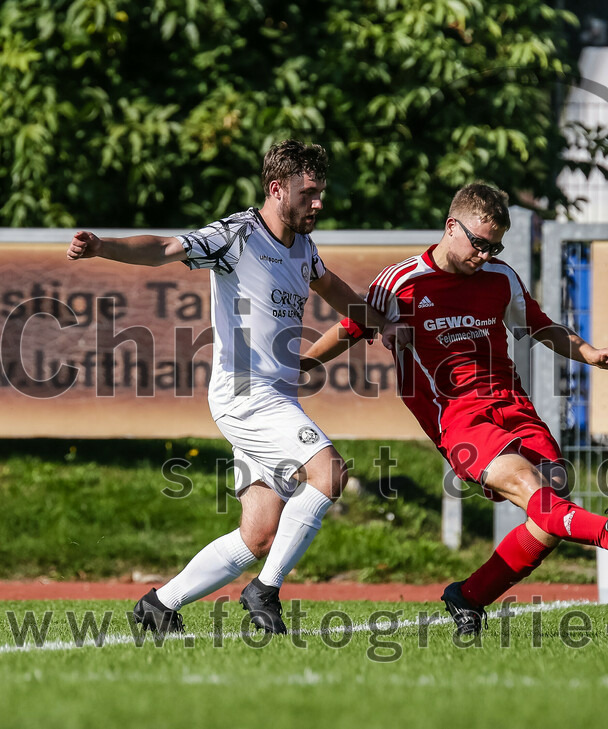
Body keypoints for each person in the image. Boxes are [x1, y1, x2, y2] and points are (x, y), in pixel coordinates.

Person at [67, 140, 401, 634]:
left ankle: (159, 605)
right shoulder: (237, 234)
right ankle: (264, 591)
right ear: (276, 189)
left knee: (259, 534)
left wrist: (378, 321)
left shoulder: (303, 247)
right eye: (308, 193)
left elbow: (329, 286)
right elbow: (165, 249)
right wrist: (103, 247)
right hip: (246, 395)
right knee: (328, 474)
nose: (318, 203)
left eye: (321, 193)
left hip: (274, 396)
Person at [301, 183, 608, 635]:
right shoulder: (401, 282)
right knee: (530, 488)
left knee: (552, 504)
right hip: (458, 417)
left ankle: (468, 597)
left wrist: (591, 353)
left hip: (513, 405)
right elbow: (350, 327)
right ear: (452, 227)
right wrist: (302, 365)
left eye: (494, 247)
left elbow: (541, 326)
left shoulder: (500, 278)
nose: (484, 255)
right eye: (479, 243)